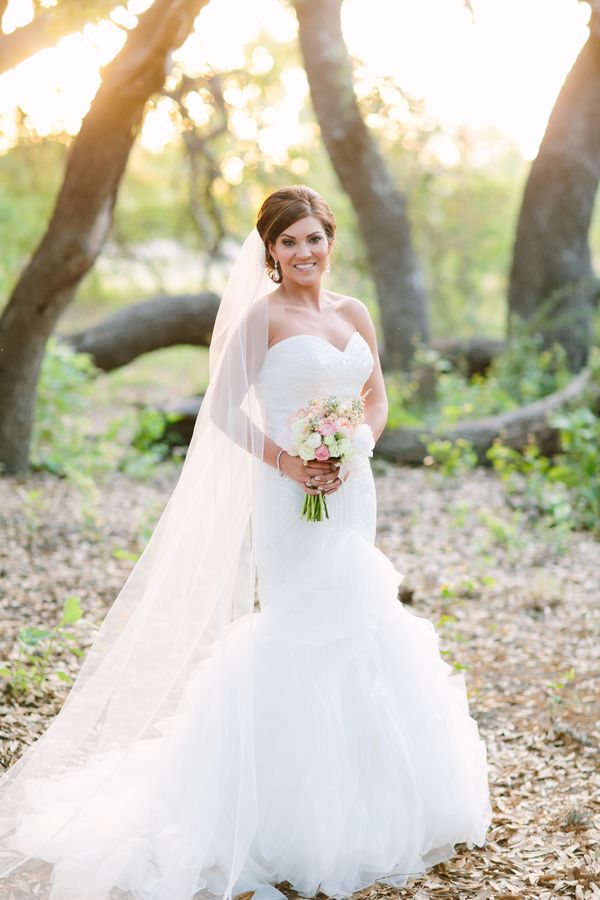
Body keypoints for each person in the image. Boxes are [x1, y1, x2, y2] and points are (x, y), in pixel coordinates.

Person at [0, 185, 492, 900]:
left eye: (314, 239)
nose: (303, 253)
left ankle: (373, 795)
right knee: (300, 624)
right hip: (289, 491)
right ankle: (284, 808)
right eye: (288, 242)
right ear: (269, 251)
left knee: (361, 617)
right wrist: (289, 461)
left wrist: (356, 444)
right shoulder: (260, 320)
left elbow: (376, 396)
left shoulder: (353, 313)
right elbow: (223, 411)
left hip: (350, 487)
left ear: (331, 241)